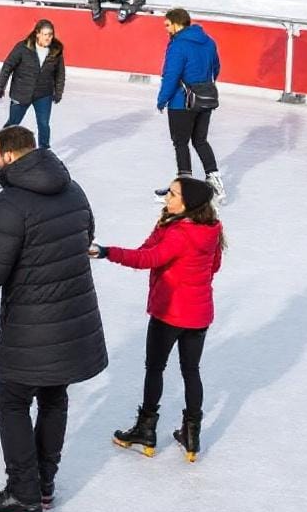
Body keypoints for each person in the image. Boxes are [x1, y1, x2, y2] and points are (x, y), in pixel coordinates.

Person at [0, 126, 107, 512]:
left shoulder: (8, 203)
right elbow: (86, 235)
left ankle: (23, 496)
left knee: (12, 401)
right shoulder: (72, 189)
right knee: (54, 397)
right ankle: (43, 482)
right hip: (72, 314)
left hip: (31, 321)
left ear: (7, 155)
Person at [93, 176, 224, 462]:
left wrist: (106, 252)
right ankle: (191, 436)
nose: (167, 198)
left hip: (170, 313)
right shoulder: (212, 228)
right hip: (200, 314)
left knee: (155, 368)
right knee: (192, 371)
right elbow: (213, 265)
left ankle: (146, 429)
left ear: (188, 204)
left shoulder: (179, 233)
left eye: (173, 194)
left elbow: (148, 259)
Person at [156, 8, 224, 201]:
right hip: (206, 99)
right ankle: (216, 183)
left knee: (181, 143)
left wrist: (162, 99)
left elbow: (171, 76)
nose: (166, 29)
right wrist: (203, 85)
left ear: (177, 24)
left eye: (168, 25)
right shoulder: (209, 41)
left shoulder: (178, 45)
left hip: (181, 102)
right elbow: (216, 68)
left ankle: (183, 191)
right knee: (200, 141)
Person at [0, 20, 65, 150]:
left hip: (43, 94)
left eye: (50, 34)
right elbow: (8, 66)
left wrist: (59, 91)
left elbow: (60, 73)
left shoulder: (56, 50)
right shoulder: (23, 48)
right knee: (13, 124)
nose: (48, 38)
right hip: (21, 92)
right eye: (45, 34)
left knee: (44, 124)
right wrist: (1, 86)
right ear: (37, 34)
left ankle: (44, 153)